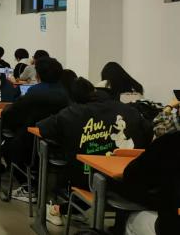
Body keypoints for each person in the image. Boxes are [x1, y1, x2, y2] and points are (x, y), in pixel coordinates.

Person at [37, 77, 152, 226]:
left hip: (90, 181)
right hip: (132, 181)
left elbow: (43, 128)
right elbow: (149, 133)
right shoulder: (128, 110)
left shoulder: (71, 113)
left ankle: (59, 209)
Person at [1, 56, 70, 203]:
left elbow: (13, 112)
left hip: (31, 142)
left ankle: (29, 186)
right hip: (59, 142)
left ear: (38, 74)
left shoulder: (34, 92)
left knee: (7, 148)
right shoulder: (66, 93)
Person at [120, 98, 180, 235]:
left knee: (132, 220)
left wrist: (168, 108)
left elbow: (131, 176)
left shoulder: (169, 142)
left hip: (171, 227)